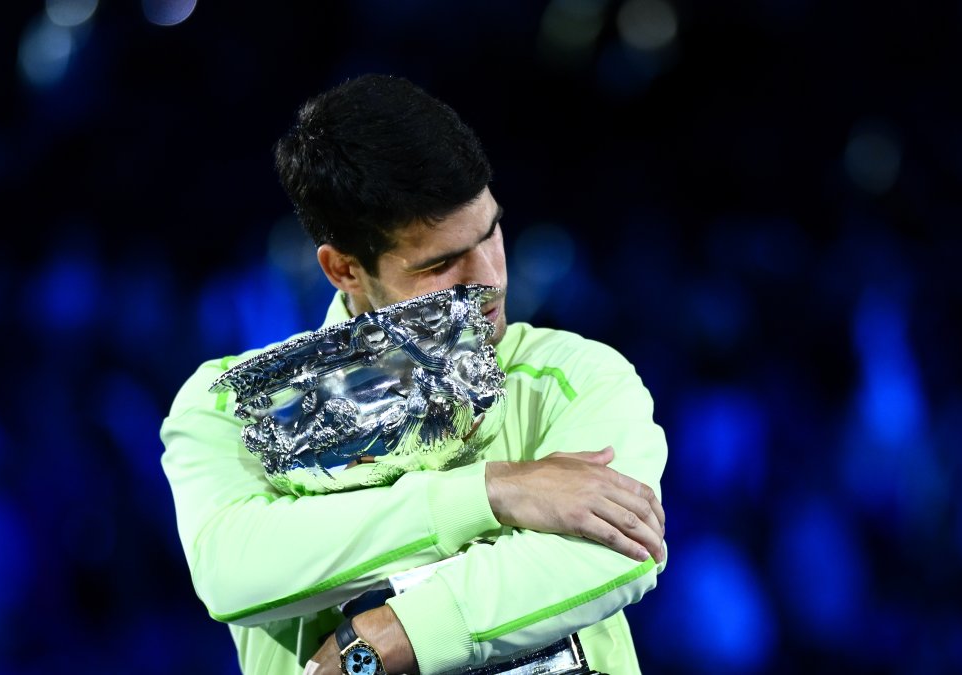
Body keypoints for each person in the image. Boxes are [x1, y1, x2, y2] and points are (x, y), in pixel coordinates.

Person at [159, 73, 668, 675]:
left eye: (491, 233)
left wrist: (384, 640)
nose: (488, 281)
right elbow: (232, 571)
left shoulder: (576, 373)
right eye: (442, 262)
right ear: (343, 269)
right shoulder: (230, 403)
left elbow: (619, 552)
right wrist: (493, 491)